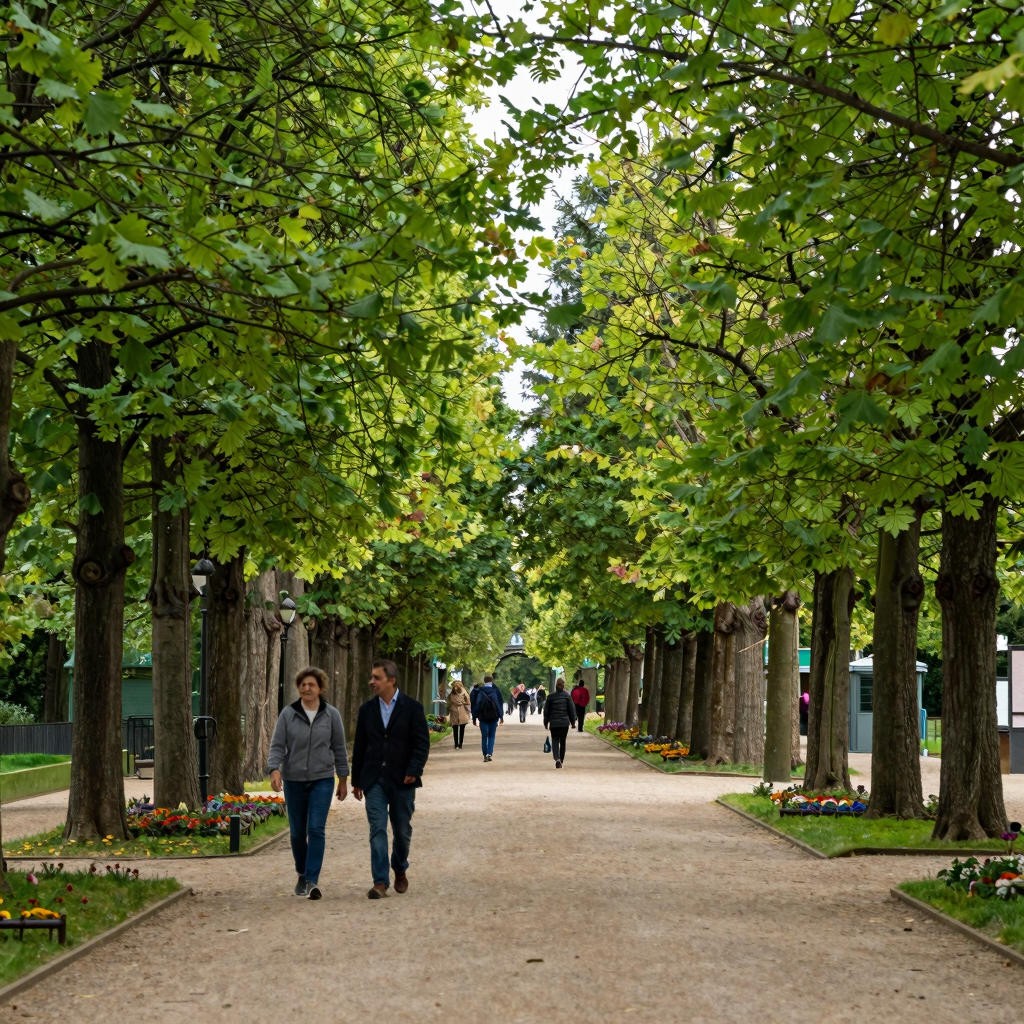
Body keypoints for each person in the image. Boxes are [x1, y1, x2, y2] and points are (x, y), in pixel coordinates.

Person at [351, 660, 431, 899]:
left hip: (402, 779)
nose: (371, 682)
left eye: (376, 678)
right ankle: (380, 881)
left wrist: (414, 769)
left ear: (391, 680)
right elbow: (360, 747)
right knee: (377, 829)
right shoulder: (367, 710)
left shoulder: (412, 708)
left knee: (402, 830)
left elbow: (421, 743)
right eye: (371, 677)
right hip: (374, 779)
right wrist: (357, 780)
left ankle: (400, 867)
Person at [268, 666, 349, 900]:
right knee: (296, 833)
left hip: (322, 779)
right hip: (293, 780)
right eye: (303, 685)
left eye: (311, 685)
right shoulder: (288, 714)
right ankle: (302, 874)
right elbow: (277, 745)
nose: (306, 688)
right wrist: (274, 769)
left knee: (315, 829)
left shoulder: (331, 715)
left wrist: (342, 779)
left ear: (320, 688)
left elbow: (339, 748)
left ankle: (313, 880)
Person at [543, 677, 577, 768]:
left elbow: (546, 711)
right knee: (563, 741)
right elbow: (571, 710)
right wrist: (573, 722)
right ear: (563, 686)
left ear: (556, 686)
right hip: (564, 723)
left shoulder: (551, 697)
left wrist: (546, 722)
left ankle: (557, 758)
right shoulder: (567, 696)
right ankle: (561, 759)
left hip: (554, 723)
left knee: (554, 740)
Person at [471, 673, 504, 761]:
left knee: (484, 736)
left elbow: (476, 705)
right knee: (492, 736)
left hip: (483, 718)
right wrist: (501, 717)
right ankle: (489, 753)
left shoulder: (480, 691)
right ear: (492, 681)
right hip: (494, 717)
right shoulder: (496, 691)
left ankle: (485, 754)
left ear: (484, 681)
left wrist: (474, 718)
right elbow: (499, 704)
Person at [447, 680, 471, 749]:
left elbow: (449, 701)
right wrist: (463, 702)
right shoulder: (463, 691)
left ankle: (456, 745)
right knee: (462, 728)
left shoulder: (451, 693)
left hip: (454, 710)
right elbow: (468, 701)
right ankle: (460, 744)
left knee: (455, 728)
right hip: (462, 710)